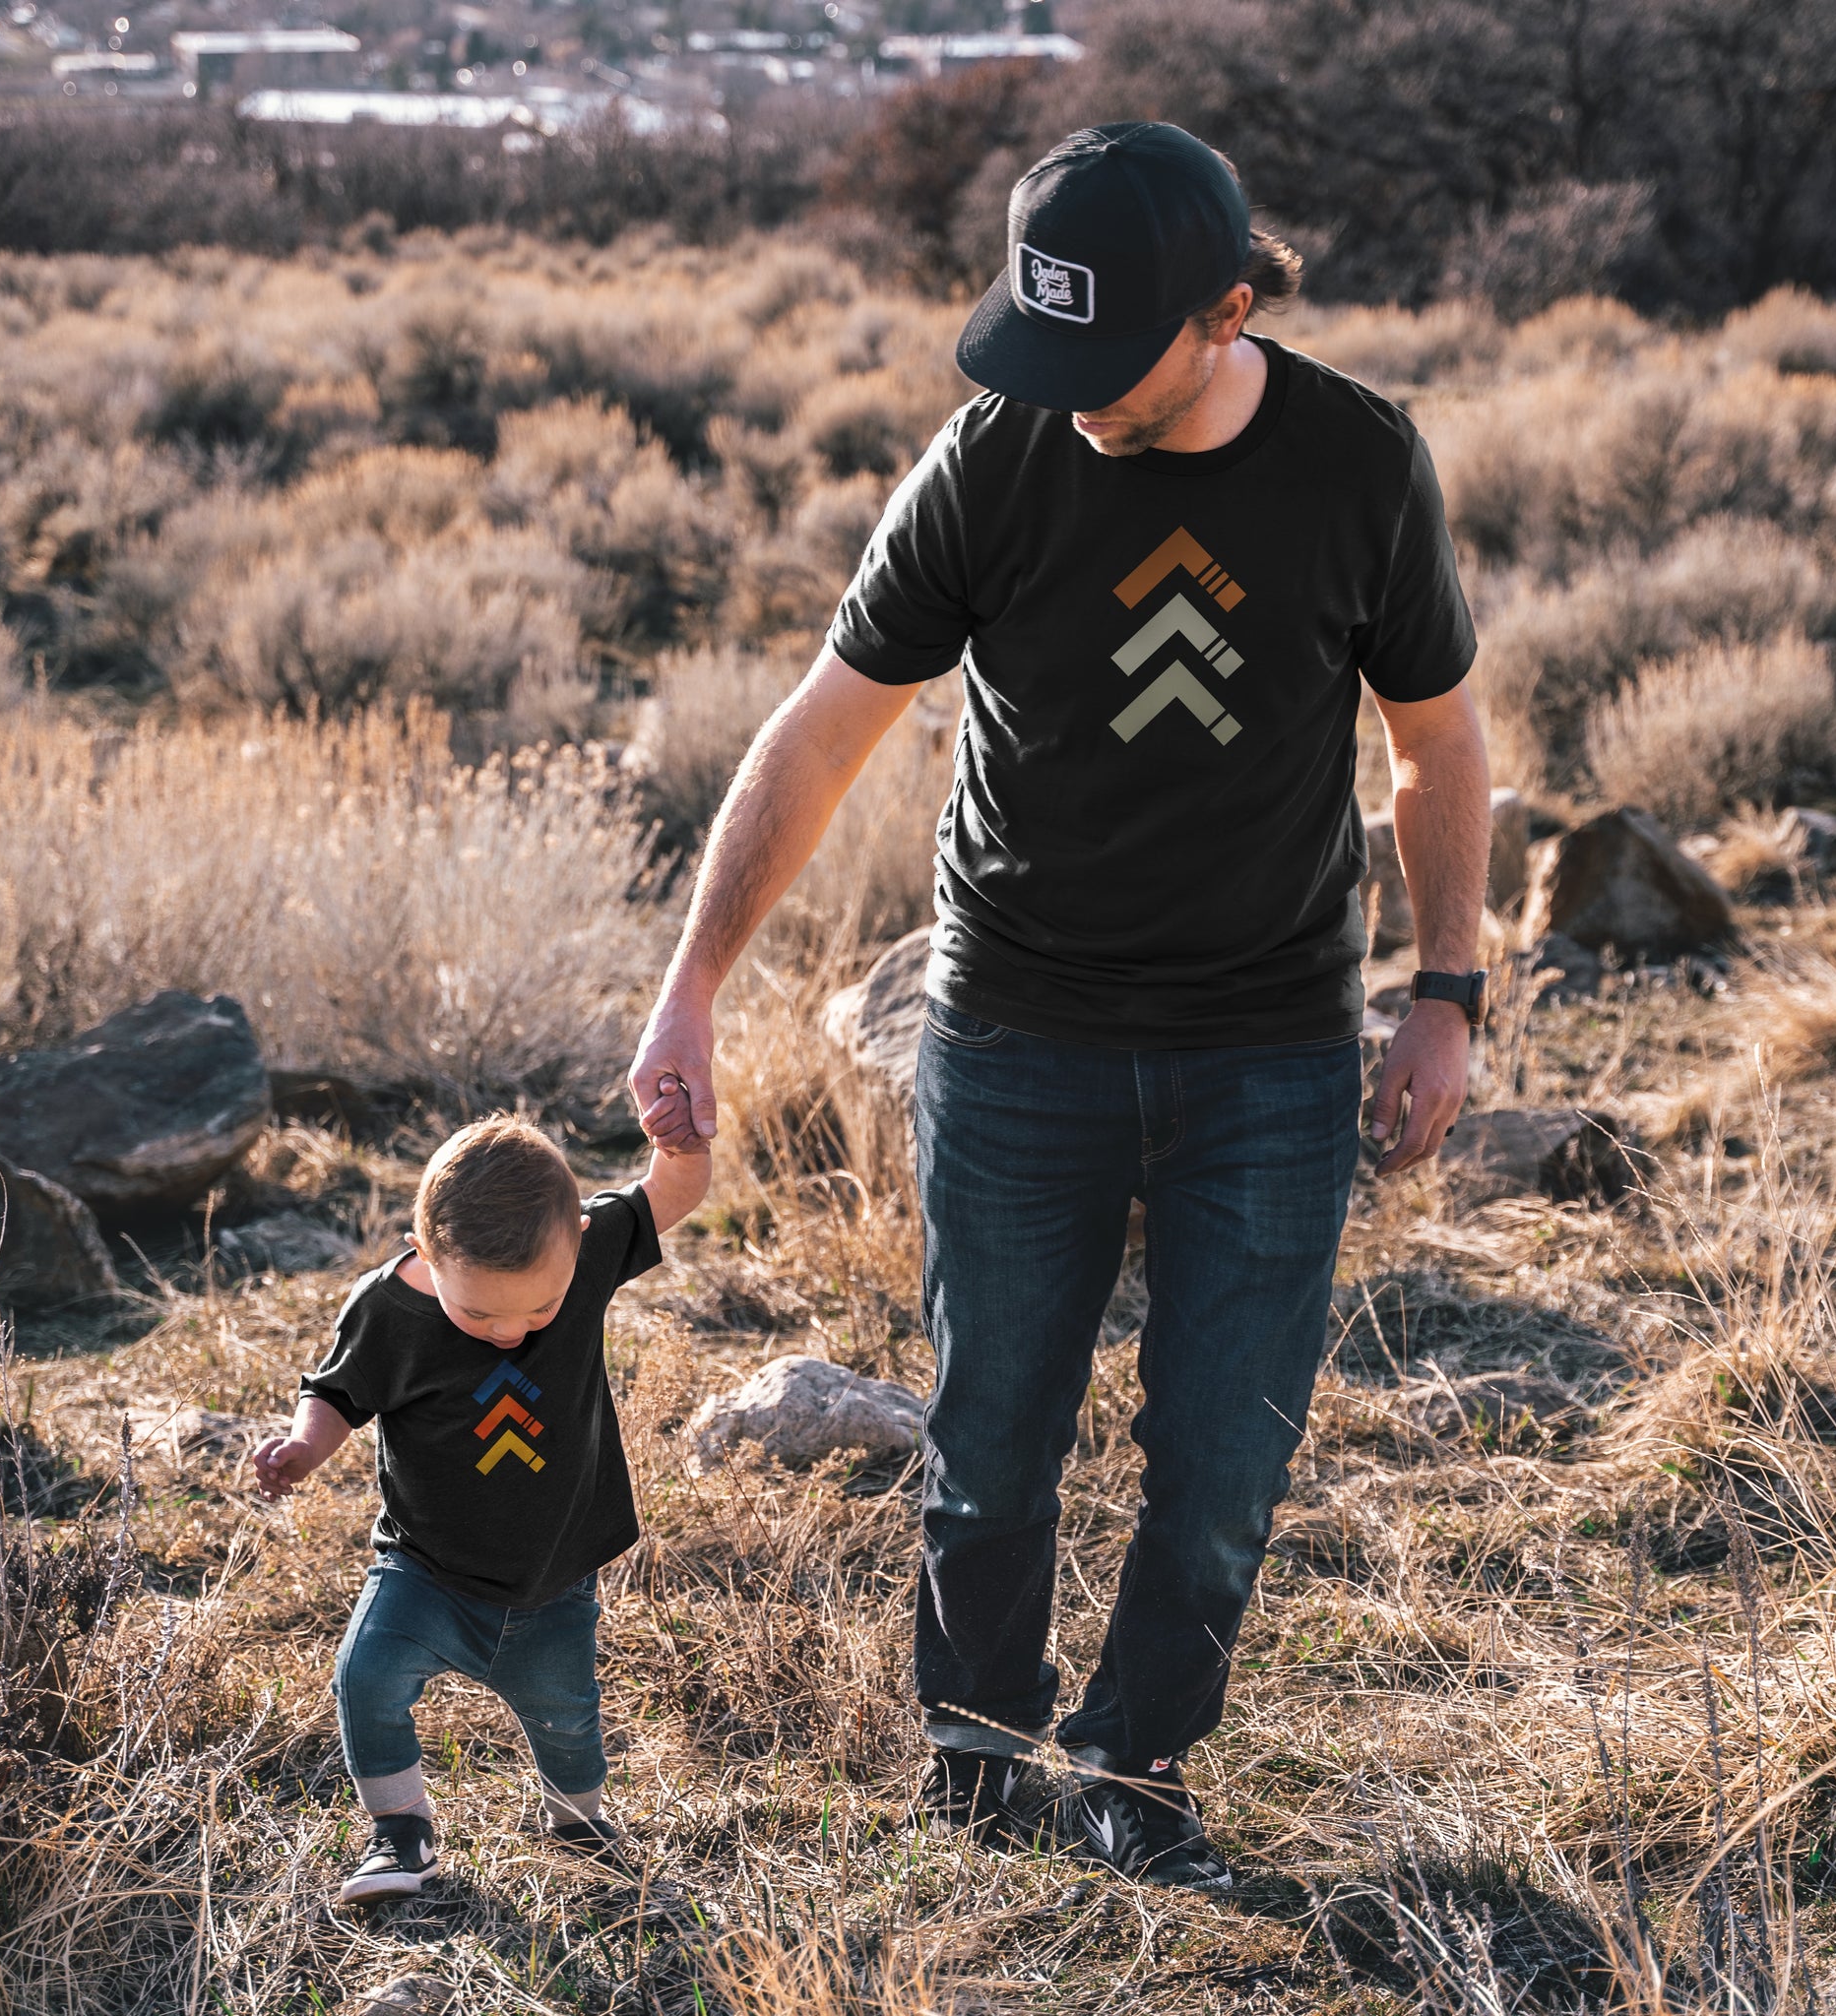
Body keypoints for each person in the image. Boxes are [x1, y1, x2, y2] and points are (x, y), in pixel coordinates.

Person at [629, 121, 1489, 1889]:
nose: (1069, 393)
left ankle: (1136, 1759)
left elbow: (1435, 742)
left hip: (1266, 1045)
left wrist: (1446, 991)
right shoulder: (996, 454)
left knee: (1224, 1453)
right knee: (994, 1426)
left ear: (1228, 311)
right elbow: (822, 729)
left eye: (1108, 358)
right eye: (1045, 341)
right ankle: (973, 1741)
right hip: (1015, 1030)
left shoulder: (1356, 464)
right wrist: (691, 982)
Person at [252, 1104, 710, 1905]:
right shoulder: (387, 1310)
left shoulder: (585, 1249)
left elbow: (669, 1192)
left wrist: (681, 1142)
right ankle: (400, 1833)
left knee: (568, 1717)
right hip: (425, 1570)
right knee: (366, 1677)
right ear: (424, 1252)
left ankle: (578, 1823)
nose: (510, 1331)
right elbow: (336, 1392)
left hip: (552, 1578)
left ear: (577, 1240)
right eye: (478, 1313)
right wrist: (304, 1447)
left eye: (539, 1310)